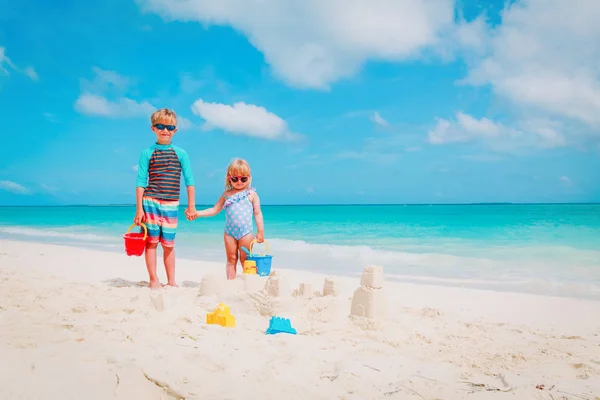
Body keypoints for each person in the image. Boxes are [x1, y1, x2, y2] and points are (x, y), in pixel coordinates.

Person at [133, 108, 196, 289]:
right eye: (160, 126)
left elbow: (189, 181)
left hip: (171, 205)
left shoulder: (181, 153)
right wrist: (139, 209)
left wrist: (191, 206)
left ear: (175, 130)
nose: (165, 130)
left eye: (169, 127)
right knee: (151, 243)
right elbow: (140, 182)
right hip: (150, 203)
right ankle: (153, 279)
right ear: (153, 128)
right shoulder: (147, 152)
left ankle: (171, 281)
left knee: (168, 245)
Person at [186, 158, 264, 280]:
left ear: (249, 178)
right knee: (231, 259)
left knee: (246, 260)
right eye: (235, 178)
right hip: (229, 233)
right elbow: (214, 210)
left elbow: (258, 214)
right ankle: (230, 283)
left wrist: (260, 231)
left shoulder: (251, 195)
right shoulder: (226, 195)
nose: (239, 182)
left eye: (243, 178)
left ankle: (248, 283)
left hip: (246, 233)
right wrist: (197, 213)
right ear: (229, 177)